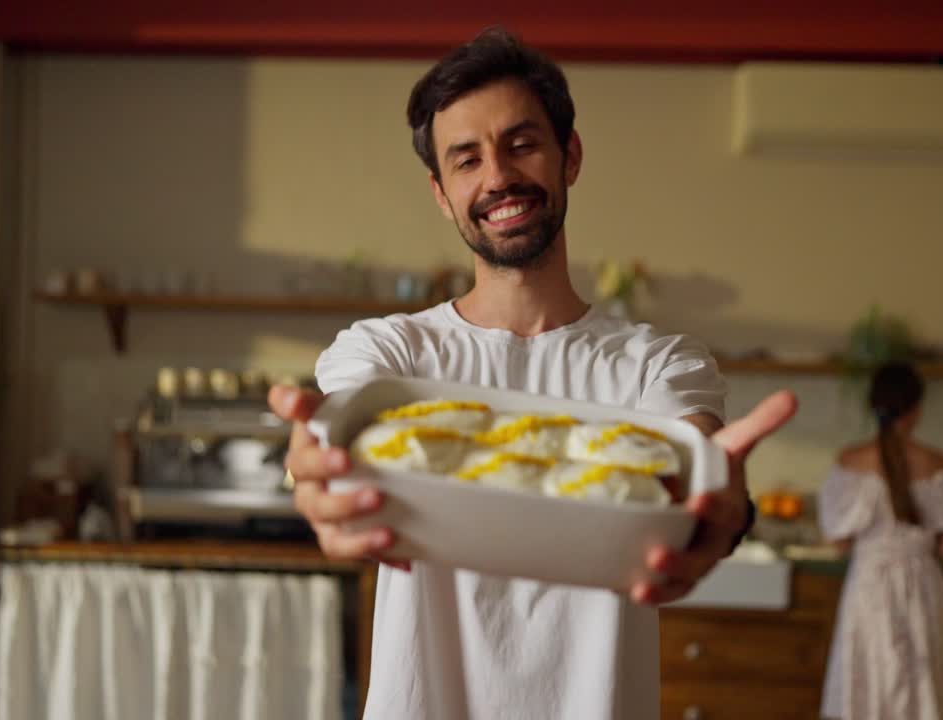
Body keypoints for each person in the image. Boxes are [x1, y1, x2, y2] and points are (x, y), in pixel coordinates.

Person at [268, 27, 797, 719]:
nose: (497, 177)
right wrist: (317, 475)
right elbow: (336, 438)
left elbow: (698, 471)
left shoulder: (658, 364)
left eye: (521, 144)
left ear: (568, 155)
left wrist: (719, 514)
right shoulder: (388, 352)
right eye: (466, 159)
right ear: (441, 191)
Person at [818, 363, 943, 720]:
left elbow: (839, 543)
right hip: (922, 588)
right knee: (921, 689)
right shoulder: (941, 465)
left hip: (869, 588)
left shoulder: (849, 462)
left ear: (873, 407)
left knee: (867, 684)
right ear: (916, 410)